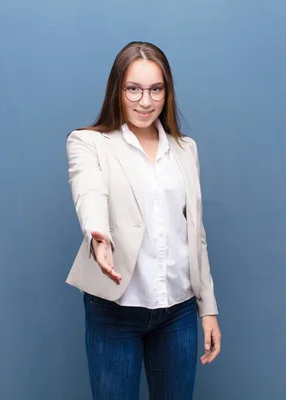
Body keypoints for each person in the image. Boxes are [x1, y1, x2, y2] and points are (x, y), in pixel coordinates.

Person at [65, 41, 221, 400]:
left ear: (167, 92)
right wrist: (97, 235)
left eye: (155, 89)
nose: (145, 101)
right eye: (133, 89)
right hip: (115, 311)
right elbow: (89, 192)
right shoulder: (89, 143)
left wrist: (207, 309)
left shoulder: (185, 149)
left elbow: (194, 235)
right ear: (117, 90)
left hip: (177, 311)